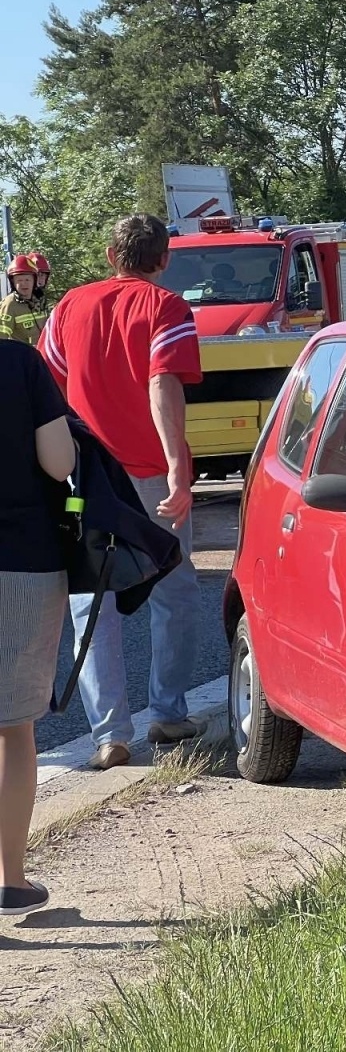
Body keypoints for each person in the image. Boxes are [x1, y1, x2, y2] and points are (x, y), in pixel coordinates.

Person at [39, 214, 204, 770]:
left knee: (91, 597)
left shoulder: (66, 308)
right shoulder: (169, 309)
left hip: (85, 476)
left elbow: (48, 390)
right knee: (174, 589)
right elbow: (163, 385)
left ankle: (110, 733)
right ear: (163, 260)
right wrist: (178, 467)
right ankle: (168, 710)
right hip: (148, 473)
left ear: (112, 255)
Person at [0, 339, 76, 914]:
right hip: (23, 560)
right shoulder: (20, 363)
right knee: (13, 730)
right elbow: (59, 463)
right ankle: (11, 880)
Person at [0, 253, 53, 346]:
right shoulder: (10, 304)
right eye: (19, 281)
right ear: (13, 283)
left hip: (42, 356)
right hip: (23, 358)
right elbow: (2, 339)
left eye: (27, 280)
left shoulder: (39, 301)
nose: (24, 284)